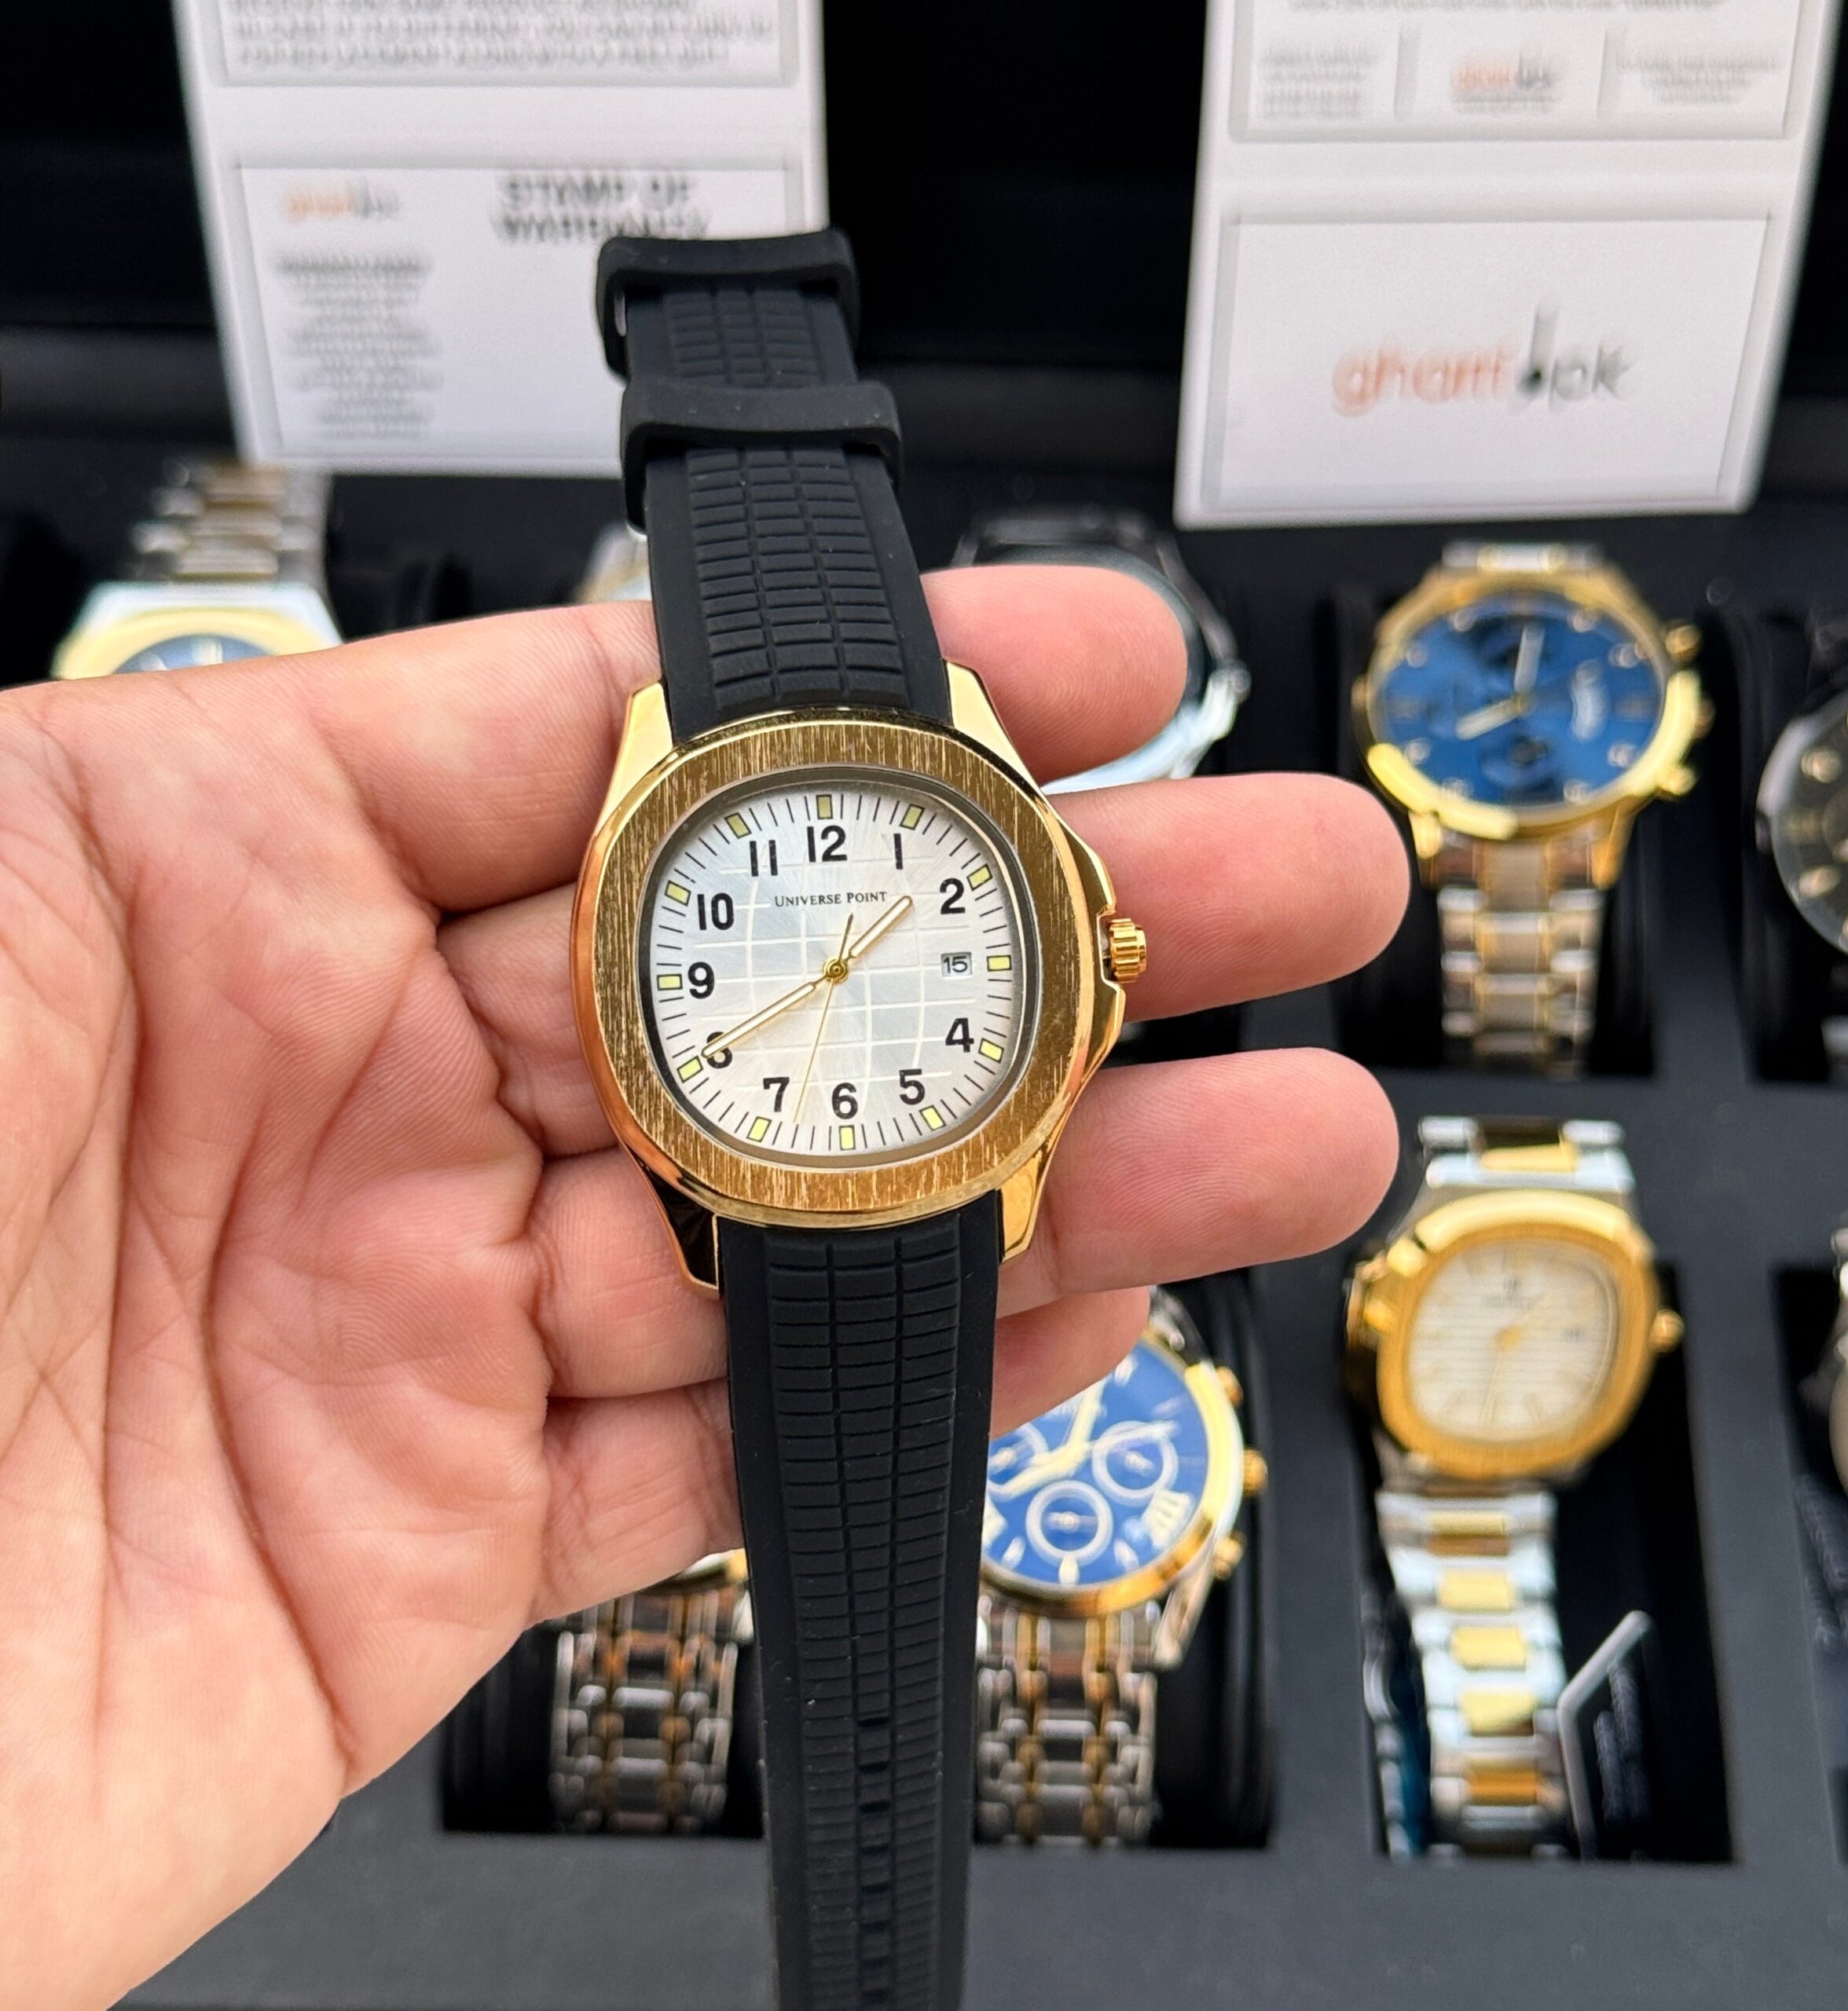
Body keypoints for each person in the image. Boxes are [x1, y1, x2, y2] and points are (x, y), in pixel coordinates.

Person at [0, 563, 1406, 2009]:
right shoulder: (733, 827)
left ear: (1093, 966)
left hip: (893, 1175)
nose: (840, 968)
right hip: (784, 1179)